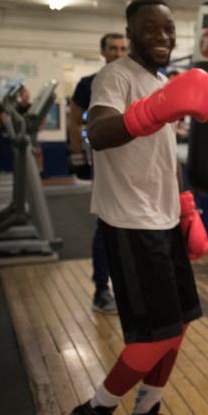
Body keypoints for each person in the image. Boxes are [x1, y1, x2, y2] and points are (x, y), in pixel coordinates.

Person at [67, 0, 208, 415]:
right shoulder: (117, 76)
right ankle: (95, 412)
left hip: (164, 220)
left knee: (180, 324)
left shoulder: (160, 82)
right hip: (131, 224)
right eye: (151, 30)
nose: (163, 38)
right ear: (130, 33)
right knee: (152, 337)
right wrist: (150, 111)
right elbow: (99, 132)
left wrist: (187, 210)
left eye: (169, 31)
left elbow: (164, 157)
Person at [69, 32, 129, 315]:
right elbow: (73, 120)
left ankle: (131, 288)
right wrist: (77, 154)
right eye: (113, 48)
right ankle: (101, 290)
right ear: (103, 52)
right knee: (106, 222)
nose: (119, 53)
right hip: (104, 162)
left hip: (134, 163)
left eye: (123, 48)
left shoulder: (136, 80)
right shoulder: (88, 84)